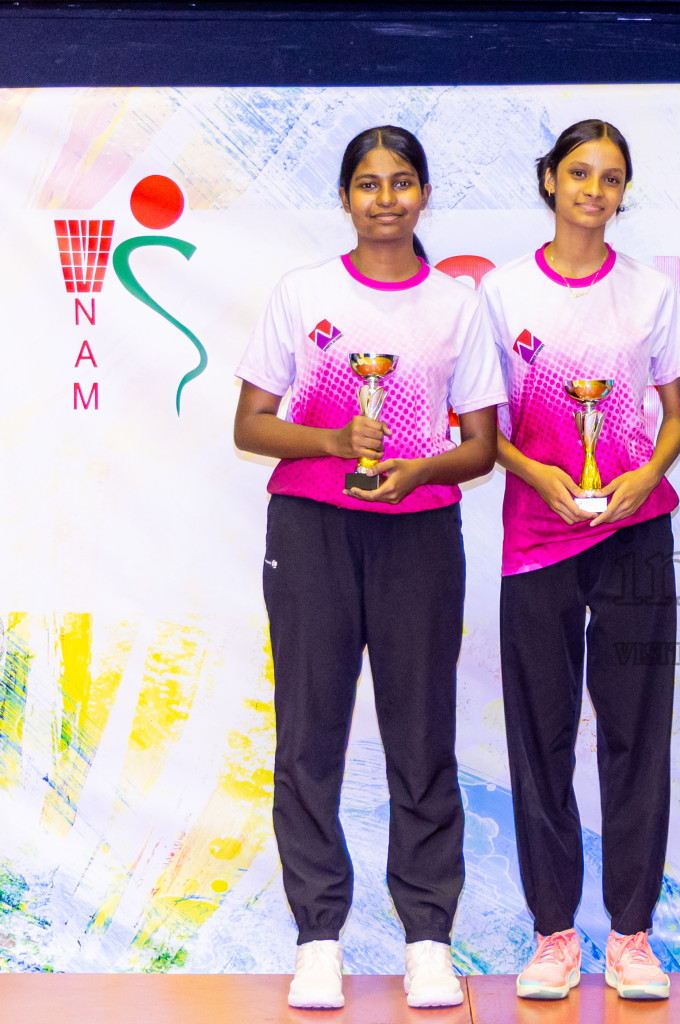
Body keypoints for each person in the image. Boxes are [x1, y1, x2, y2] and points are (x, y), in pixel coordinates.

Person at [232, 125, 504, 1010]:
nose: (385, 199)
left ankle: (429, 936)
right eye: (367, 184)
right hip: (311, 524)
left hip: (419, 531)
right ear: (345, 199)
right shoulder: (302, 293)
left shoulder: (457, 307)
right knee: (310, 733)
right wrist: (332, 440)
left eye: (401, 183)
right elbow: (250, 426)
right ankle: (318, 937)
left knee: (421, 733)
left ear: (424, 194)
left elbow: (481, 448)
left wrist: (418, 467)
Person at [478, 119, 680, 1002]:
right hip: (538, 535)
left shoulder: (650, 291)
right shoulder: (499, 292)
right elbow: (484, 430)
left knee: (638, 734)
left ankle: (633, 937)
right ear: (549, 181)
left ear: (623, 191)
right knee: (542, 737)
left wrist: (643, 475)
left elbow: (677, 414)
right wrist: (543, 477)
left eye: (610, 178)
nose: (594, 191)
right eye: (579, 174)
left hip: (635, 530)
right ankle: (555, 936)